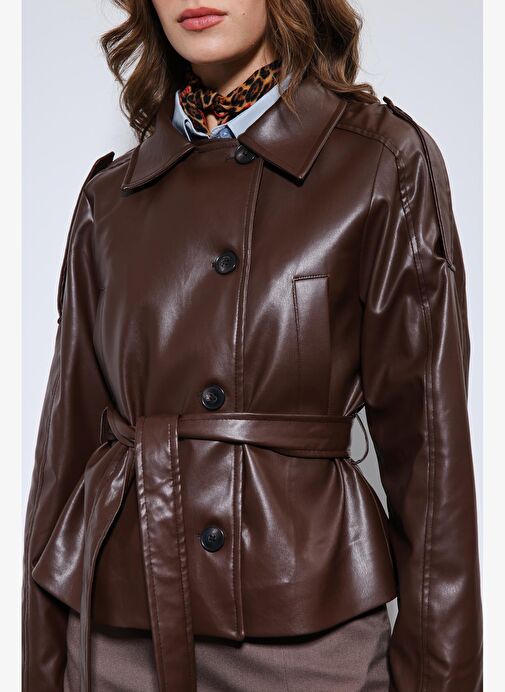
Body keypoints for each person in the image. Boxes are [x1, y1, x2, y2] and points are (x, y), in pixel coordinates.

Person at [22, 1, 483, 690]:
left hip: (307, 643)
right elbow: (62, 468)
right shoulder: (108, 200)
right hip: (118, 645)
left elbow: (431, 462)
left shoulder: (380, 162)